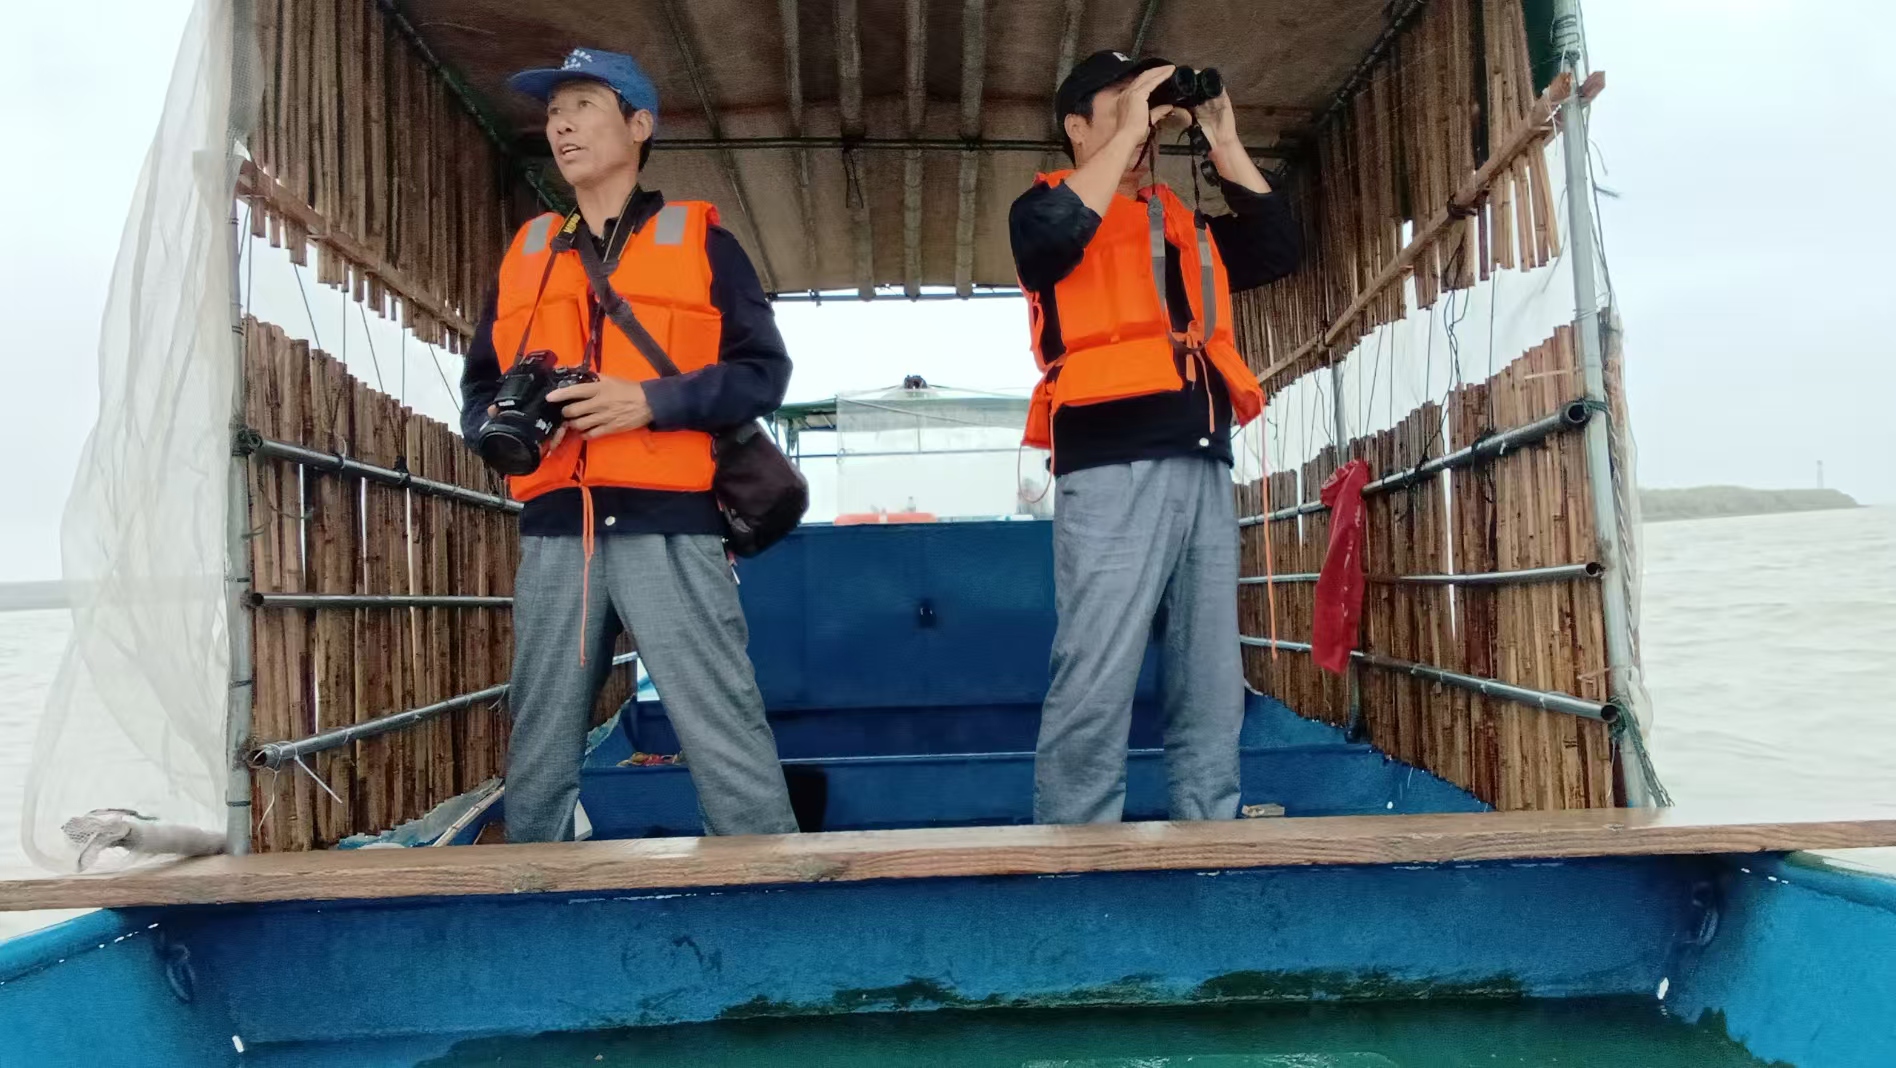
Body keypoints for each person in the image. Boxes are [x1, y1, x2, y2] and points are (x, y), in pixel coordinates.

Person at [461, 47, 798, 842]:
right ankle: (531, 890)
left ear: (638, 125)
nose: (562, 124)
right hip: (556, 533)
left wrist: (650, 401)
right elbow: (480, 385)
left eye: (582, 105)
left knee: (721, 725)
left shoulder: (703, 243)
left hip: (671, 523)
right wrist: (496, 428)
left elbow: (764, 373)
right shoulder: (526, 253)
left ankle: (773, 895)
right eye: (552, 112)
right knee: (538, 736)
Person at [1010, 51, 1300, 824]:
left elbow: (1279, 249)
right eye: (1120, 106)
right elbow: (1050, 244)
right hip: (1110, 462)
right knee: (1096, 667)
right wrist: (1131, 127)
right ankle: (1074, 845)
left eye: (1149, 110)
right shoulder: (1041, 213)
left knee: (1210, 674)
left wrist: (1223, 138)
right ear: (1076, 127)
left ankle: (1210, 831)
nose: (1142, 126)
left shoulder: (1182, 223)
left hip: (1202, 463)